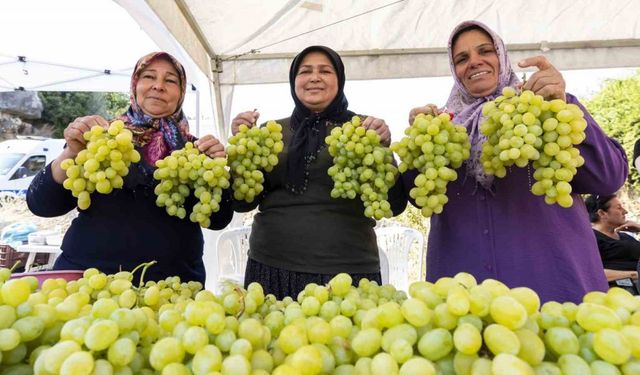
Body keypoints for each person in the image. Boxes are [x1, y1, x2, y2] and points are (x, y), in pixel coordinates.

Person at [404, 21, 628, 303]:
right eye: (462, 58)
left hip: (552, 287)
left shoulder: (546, 108)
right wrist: (419, 141)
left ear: (502, 56)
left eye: (485, 51)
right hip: (465, 296)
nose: (474, 62)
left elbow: (608, 177)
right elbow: (420, 196)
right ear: (454, 70)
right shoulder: (444, 128)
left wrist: (563, 106)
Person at [27, 52, 233, 283]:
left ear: (182, 91)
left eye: (170, 80)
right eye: (149, 76)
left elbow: (218, 220)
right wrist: (71, 152)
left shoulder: (195, 151)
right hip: (90, 281)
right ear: (135, 85)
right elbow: (42, 205)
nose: (158, 86)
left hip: (172, 287)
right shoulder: (99, 139)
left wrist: (215, 171)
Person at [231, 45, 407, 299]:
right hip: (271, 267)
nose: (314, 77)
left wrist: (382, 151)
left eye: (325, 71)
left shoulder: (363, 131)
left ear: (340, 81)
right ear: (294, 81)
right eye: (305, 71)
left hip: (348, 273)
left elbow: (393, 205)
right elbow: (241, 202)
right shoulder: (268, 133)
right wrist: (241, 150)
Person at [585, 194, 639, 292]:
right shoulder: (590, 238)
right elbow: (588, 272)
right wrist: (635, 274)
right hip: (622, 290)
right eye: (619, 208)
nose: (625, 211)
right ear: (602, 213)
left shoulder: (625, 236)